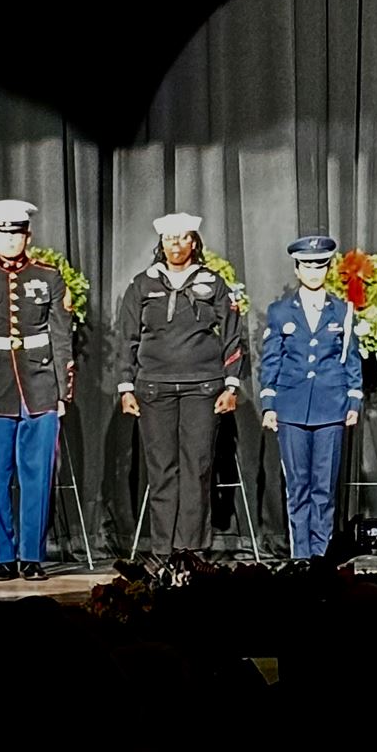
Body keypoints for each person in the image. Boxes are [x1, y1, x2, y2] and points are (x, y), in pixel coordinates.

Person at [0, 199, 74, 582]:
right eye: (1, 234)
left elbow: (60, 337)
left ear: (27, 235)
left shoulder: (49, 277)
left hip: (38, 388)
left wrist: (62, 392)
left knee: (37, 475)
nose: (8, 240)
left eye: (15, 233)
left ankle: (32, 556)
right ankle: (2, 557)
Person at [117, 210, 244, 558]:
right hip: (153, 389)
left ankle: (192, 550)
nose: (176, 244)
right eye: (169, 238)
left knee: (198, 469)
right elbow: (126, 336)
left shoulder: (213, 283)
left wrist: (231, 386)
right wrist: (126, 387)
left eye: (183, 237)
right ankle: (162, 551)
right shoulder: (143, 283)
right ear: (161, 243)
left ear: (194, 242)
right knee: (161, 470)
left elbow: (233, 336)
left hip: (203, 388)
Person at [258, 234, 363, 558]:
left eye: (320, 266)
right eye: (308, 266)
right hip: (291, 408)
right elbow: (271, 359)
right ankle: (300, 558)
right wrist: (269, 404)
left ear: (328, 269)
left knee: (324, 489)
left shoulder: (343, 311)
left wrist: (354, 399)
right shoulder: (279, 312)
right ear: (297, 269)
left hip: (331, 407)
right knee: (298, 487)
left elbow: (351, 358)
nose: (314, 272)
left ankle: (322, 559)